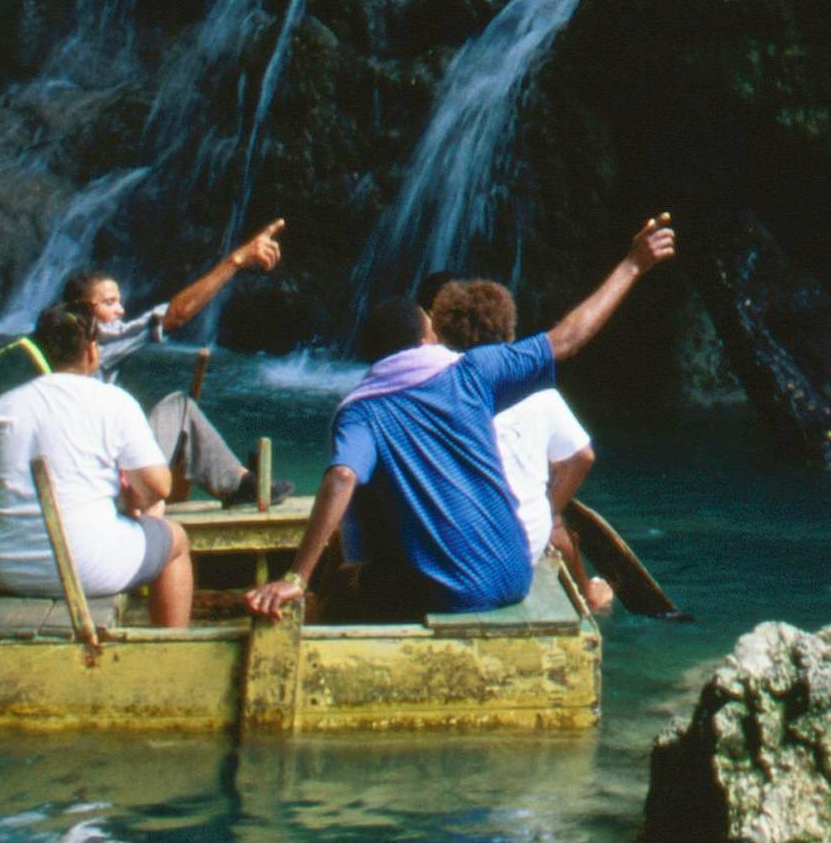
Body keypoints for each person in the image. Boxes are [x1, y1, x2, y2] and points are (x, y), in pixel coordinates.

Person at [247, 217, 675, 625]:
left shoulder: (363, 409)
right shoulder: (472, 373)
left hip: (447, 592)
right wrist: (634, 263)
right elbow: (567, 339)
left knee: (339, 581)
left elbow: (342, 476)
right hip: (513, 576)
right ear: (425, 339)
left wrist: (296, 578)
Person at [0, 295, 194, 626]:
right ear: (93, 350)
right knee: (175, 538)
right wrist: (133, 500)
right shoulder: (114, 402)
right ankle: (171, 652)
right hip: (90, 569)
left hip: (3, 569)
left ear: (40, 351)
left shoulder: (3, 406)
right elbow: (160, 485)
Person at [63, 219, 287, 499]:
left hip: (79, 476)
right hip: (109, 486)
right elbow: (175, 316)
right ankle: (238, 484)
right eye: (109, 303)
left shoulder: (57, 342)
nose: (121, 310)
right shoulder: (98, 341)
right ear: (84, 311)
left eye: (119, 301)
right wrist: (236, 260)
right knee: (179, 407)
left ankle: (239, 481)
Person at [426, 278, 613, 611]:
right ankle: (589, 595)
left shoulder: (432, 390)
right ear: (510, 335)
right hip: (518, 551)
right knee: (554, 524)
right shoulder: (540, 393)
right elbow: (582, 456)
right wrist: (551, 508)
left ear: (440, 336)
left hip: (449, 550)